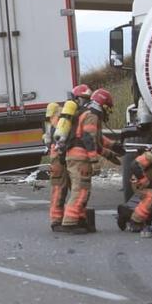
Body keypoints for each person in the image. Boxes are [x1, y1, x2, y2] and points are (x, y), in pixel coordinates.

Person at [57, 88, 123, 234]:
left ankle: (79, 220)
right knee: (80, 190)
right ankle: (70, 223)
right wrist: (94, 161)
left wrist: (111, 152)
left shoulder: (85, 113)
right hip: (81, 159)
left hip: (75, 156)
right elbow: (89, 139)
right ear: (103, 104)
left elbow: (95, 140)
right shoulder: (92, 116)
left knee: (82, 190)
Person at [48, 84, 92, 230]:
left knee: (70, 188)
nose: (84, 102)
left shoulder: (70, 116)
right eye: (84, 99)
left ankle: (73, 218)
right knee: (65, 188)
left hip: (61, 155)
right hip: (61, 156)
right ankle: (61, 220)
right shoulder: (71, 117)